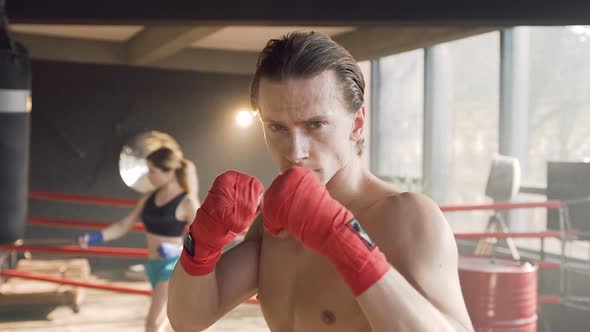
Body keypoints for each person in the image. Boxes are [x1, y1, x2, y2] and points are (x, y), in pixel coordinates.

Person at [168, 32, 474, 332]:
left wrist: (346, 241)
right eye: (276, 127)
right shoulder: (275, 225)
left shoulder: (406, 217)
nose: (294, 151)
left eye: (315, 125)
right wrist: (202, 241)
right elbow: (189, 319)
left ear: (357, 123)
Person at [78, 147, 200, 332]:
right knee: (168, 324)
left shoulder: (187, 202)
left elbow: (203, 240)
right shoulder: (148, 198)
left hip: (174, 266)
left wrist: (177, 250)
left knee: (153, 323)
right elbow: (123, 225)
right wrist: (96, 237)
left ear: (169, 171)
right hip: (153, 265)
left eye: (152, 171)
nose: (148, 176)